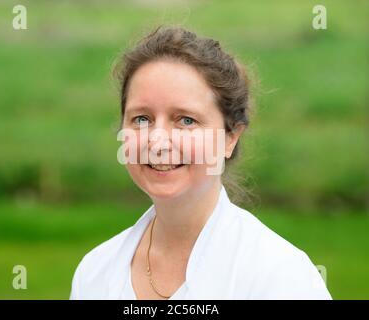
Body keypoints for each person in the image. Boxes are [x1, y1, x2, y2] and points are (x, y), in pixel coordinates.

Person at [70, 26, 332, 300]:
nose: (158, 142)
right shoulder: (95, 273)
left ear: (230, 137)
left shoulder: (280, 277)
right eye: (142, 119)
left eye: (186, 120)